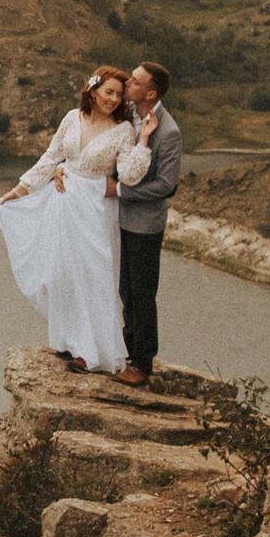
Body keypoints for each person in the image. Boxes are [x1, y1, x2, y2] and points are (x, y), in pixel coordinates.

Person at [0, 66, 156, 375]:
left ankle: (94, 354)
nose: (114, 99)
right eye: (109, 92)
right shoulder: (71, 117)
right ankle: (71, 340)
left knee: (95, 277)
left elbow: (131, 175)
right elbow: (51, 157)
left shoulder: (123, 130)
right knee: (62, 273)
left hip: (95, 208)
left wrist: (144, 140)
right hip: (64, 202)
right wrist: (18, 190)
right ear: (92, 90)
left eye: (120, 94)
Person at [103, 62, 180, 386]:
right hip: (121, 219)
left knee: (142, 293)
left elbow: (167, 185)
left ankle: (143, 364)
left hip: (146, 225)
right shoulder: (127, 117)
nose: (127, 84)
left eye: (134, 82)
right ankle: (128, 350)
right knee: (125, 289)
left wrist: (119, 190)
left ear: (150, 93)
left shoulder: (168, 131)